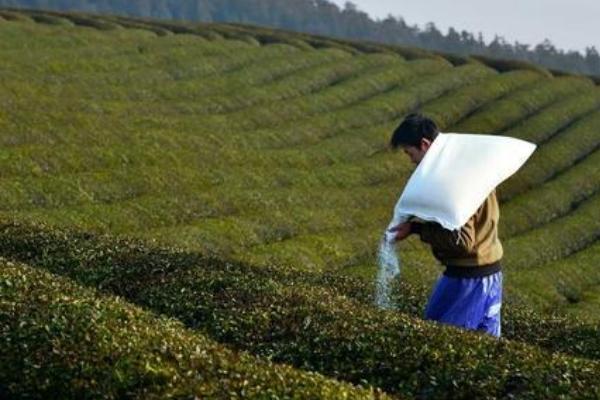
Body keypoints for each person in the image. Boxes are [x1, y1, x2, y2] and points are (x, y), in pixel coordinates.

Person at [388, 113, 504, 337]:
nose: (412, 161)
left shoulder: (454, 178)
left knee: (451, 344)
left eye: (410, 154)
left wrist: (417, 229)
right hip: (467, 271)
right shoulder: (462, 164)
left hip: (473, 276)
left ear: (424, 145)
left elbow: (461, 241)